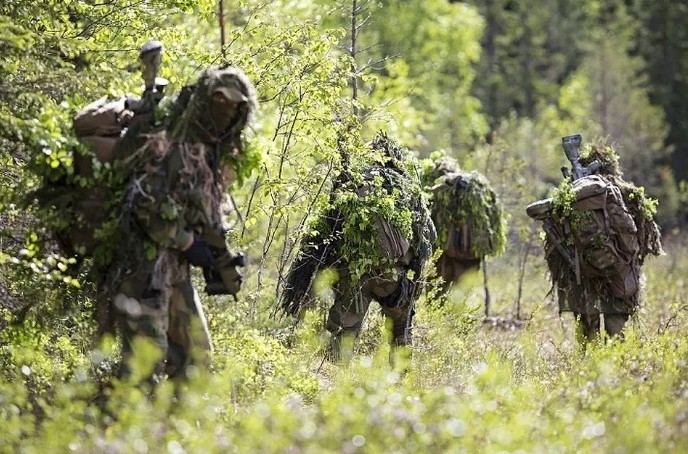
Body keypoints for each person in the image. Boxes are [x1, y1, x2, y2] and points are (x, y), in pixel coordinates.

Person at [108, 65, 257, 381]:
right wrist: (188, 243)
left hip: (174, 269)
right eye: (221, 102)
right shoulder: (172, 143)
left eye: (235, 106)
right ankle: (118, 426)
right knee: (142, 365)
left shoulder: (208, 150)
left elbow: (201, 208)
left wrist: (218, 253)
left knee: (196, 356)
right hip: (143, 266)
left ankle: (175, 428)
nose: (227, 111)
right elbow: (144, 204)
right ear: (206, 101)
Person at [279, 132, 435, 361]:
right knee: (401, 330)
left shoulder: (353, 181)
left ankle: (337, 386)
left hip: (353, 276)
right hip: (393, 278)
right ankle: (401, 386)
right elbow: (429, 236)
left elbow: (327, 233)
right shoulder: (407, 187)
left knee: (346, 336)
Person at [526, 135, 662, 344]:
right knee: (616, 335)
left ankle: (585, 372)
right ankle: (617, 373)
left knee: (588, 335)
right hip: (620, 275)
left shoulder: (570, 198)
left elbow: (554, 246)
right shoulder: (626, 193)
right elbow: (643, 239)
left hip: (583, 277)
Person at [422, 154, 506, 292]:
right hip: (472, 252)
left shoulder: (443, 190)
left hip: (448, 250)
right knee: (463, 292)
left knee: (439, 290)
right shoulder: (475, 188)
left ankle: (440, 312)